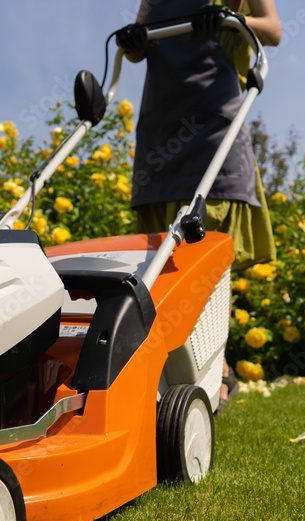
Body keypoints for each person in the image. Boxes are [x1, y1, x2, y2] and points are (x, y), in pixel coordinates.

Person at [117, 0, 282, 410]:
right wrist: (133, 40)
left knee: (207, 259)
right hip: (161, 132)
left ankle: (218, 371)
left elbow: (273, 30)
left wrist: (233, 20)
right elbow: (137, 49)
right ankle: (166, 370)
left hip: (214, 130)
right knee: (158, 263)